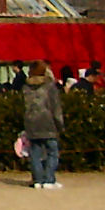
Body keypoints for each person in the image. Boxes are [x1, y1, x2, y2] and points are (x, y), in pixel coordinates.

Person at [23, 61, 65, 189]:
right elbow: (56, 108)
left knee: (35, 153)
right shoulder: (49, 86)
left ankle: (37, 180)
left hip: (31, 122)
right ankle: (49, 179)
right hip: (48, 122)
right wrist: (60, 125)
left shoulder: (26, 87)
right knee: (52, 152)